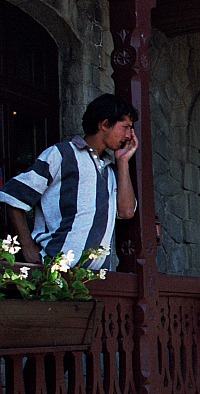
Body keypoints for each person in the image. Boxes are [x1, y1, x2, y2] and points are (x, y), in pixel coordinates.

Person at [0, 93, 138, 269]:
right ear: (104, 124)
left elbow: (126, 212)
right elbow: (14, 195)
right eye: (125, 127)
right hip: (53, 273)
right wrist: (27, 246)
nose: (129, 135)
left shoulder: (111, 169)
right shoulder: (61, 155)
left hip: (95, 280)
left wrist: (123, 162)